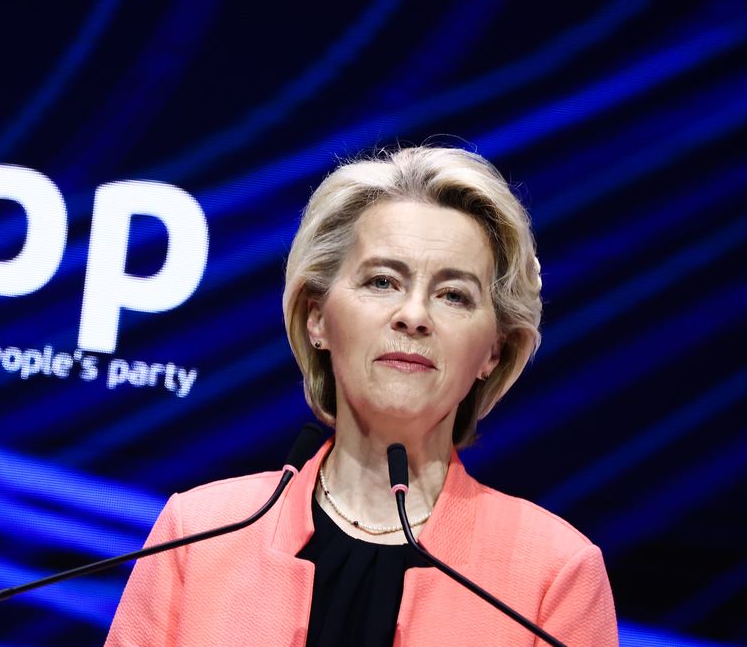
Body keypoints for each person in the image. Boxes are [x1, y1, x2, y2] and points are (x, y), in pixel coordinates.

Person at [105, 145, 618, 646]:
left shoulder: (554, 575)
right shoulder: (199, 533)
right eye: (381, 281)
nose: (414, 315)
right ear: (317, 319)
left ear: (492, 351)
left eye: (454, 295)